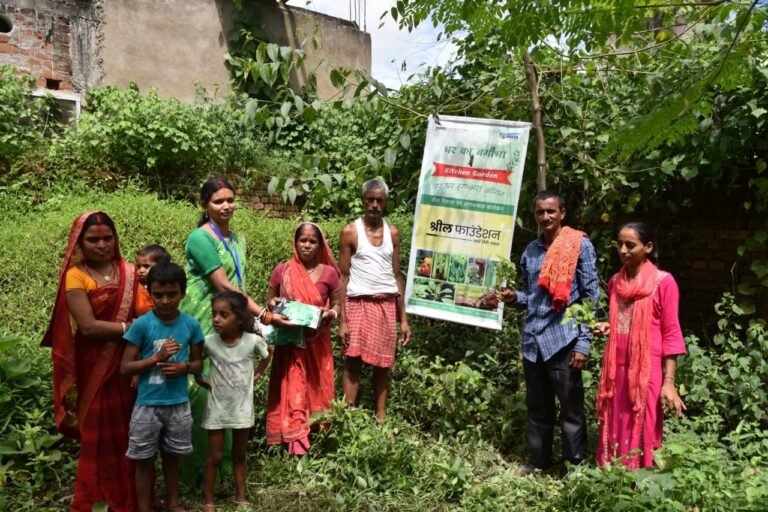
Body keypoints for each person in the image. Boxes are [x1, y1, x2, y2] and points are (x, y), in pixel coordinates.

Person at [179, 177, 287, 482]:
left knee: (230, 387)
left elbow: (237, 285)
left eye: (230, 200)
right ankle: (198, 472)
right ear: (205, 205)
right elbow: (223, 284)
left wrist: (251, 318)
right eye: (218, 201)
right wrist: (264, 315)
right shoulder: (200, 238)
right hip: (205, 317)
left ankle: (226, 469)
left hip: (233, 319)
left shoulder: (238, 239)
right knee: (204, 390)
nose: (226, 206)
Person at [42, 211, 138, 512]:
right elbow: (88, 327)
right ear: (79, 243)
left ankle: (132, 495)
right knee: (98, 430)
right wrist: (131, 328)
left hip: (129, 363)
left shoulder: (130, 272)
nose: (101, 245)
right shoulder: (75, 275)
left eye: (107, 238)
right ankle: (96, 496)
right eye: (93, 239)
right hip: (94, 365)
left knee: (129, 429)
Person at [500, 190, 600, 475]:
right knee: (537, 406)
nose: (545, 216)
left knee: (571, 409)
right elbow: (531, 297)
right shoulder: (530, 251)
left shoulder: (578, 245)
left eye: (551, 211)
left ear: (562, 213)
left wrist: (583, 343)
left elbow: (590, 297)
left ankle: (573, 466)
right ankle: (539, 459)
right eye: (540, 212)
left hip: (564, 339)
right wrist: (513, 298)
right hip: (533, 341)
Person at [594, 222, 686, 469]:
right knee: (615, 419)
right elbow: (625, 321)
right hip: (615, 369)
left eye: (630, 245)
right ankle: (612, 476)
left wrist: (669, 382)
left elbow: (671, 333)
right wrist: (609, 326)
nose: (623, 250)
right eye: (619, 244)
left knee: (642, 421)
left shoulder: (663, 282)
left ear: (648, 247)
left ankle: (640, 479)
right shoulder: (615, 282)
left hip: (646, 371)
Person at [121, 262, 204, 512]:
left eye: (172, 294)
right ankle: (143, 508)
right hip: (147, 405)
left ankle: (173, 503)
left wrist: (183, 367)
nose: (165, 301)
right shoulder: (142, 325)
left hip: (178, 404)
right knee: (143, 460)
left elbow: (198, 363)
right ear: (149, 293)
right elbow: (125, 367)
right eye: (158, 295)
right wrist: (156, 358)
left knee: (172, 457)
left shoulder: (191, 325)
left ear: (183, 293)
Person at [339, 179, 411, 423]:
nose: (374, 205)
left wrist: (403, 319)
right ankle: (346, 417)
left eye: (379, 200)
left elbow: (397, 275)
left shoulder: (393, 233)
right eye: (370, 199)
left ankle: (380, 419)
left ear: (385, 202)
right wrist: (343, 321)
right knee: (353, 362)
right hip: (358, 303)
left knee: (382, 365)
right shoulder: (350, 232)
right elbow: (343, 276)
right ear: (363, 200)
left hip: (385, 305)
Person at [266, 222, 340, 454]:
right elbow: (269, 301)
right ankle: (293, 440)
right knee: (292, 386)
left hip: (317, 343)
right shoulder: (283, 271)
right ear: (295, 242)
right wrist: (272, 304)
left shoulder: (329, 273)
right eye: (303, 240)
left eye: (312, 241)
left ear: (320, 245)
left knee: (316, 386)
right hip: (289, 343)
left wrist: (331, 313)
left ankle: (318, 436)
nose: (307, 245)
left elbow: (338, 304)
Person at [194, 291, 271, 510]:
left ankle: (241, 498)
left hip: (242, 409)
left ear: (239, 318)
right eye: (214, 314)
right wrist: (200, 379)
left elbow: (267, 355)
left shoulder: (252, 341)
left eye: (223, 315)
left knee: (239, 456)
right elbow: (196, 361)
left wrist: (257, 374)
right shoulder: (209, 342)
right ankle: (208, 502)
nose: (216, 319)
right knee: (214, 457)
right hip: (217, 410)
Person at [135, 244, 172, 317]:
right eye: (138, 266)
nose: (141, 270)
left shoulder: (169, 287)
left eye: (146, 266)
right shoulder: (135, 286)